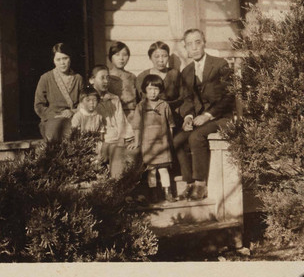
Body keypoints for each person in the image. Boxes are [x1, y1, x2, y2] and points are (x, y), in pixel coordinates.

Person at [177, 29, 235, 200]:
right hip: (198, 118)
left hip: (222, 117)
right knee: (178, 140)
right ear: (185, 47)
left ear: (204, 43)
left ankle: (200, 184)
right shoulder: (186, 72)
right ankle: (189, 183)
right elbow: (186, 99)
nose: (194, 47)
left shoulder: (219, 65)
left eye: (197, 42)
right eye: (189, 44)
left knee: (196, 137)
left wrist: (208, 115)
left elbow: (229, 96)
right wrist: (188, 117)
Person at [129, 74, 176, 203]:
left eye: (156, 89)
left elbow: (170, 125)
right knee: (151, 170)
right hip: (147, 144)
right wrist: (137, 141)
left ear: (160, 90)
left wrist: (170, 141)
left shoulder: (164, 105)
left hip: (162, 143)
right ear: (144, 90)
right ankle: (154, 193)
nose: (153, 92)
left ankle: (168, 192)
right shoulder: (141, 106)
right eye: (149, 89)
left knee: (163, 169)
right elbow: (137, 126)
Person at [89, 65, 137, 178]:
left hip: (118, 138)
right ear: (92, 80)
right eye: (102, 78)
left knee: (136, 149)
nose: (106, 81)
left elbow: (121, 121)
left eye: (108, 78)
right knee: (117, 151)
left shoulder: (114, 98)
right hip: (102, 141)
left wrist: (122, 138)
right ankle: (117, 186)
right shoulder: (89, 101)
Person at [34, 43, 84, 142]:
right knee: (57, 129)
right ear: (53, 61)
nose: (62, 63)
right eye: (58, 59)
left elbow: (83, 102)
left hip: (73, 117)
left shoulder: (78, 78)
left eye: (65, 58)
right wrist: (55, 115)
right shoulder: (46, 78)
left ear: (70, 59)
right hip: (52, 119)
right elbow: (39, 105)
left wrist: (72, 112)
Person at [135, 41, 182, 113]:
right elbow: (139, 100)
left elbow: (183, 98)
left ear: (168, 57)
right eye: (156, 56)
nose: (161, 60)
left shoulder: (175, 75)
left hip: (172, 116)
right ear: (150, 58)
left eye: (164, 56)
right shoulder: (142, 77)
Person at [107, 41, 138, 123]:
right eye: (117, 55)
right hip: (112, 115)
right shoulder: (106, 76)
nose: (121, 58)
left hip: (131, 115)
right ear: (111, 57)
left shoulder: (132, 77)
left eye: (125, 55)